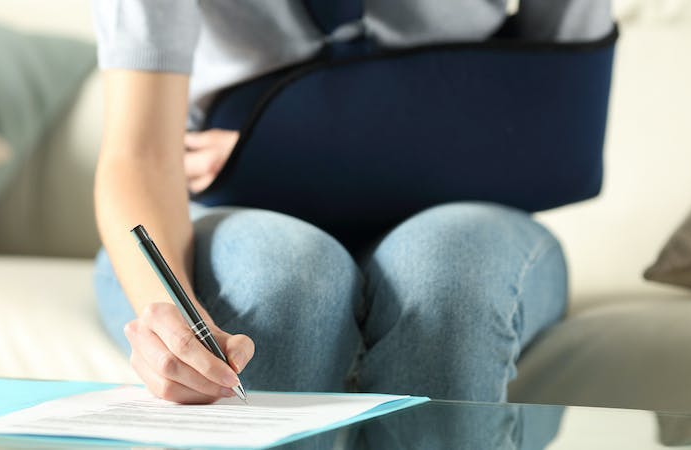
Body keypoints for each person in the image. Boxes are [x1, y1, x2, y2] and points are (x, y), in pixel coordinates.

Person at [92, 1, 610, 405]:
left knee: (451, 284)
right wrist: (167, 318)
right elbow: (140, 154)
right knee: (281, 283)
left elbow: (562, 137)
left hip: (468, 208)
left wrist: (288, 145)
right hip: (236, 211)